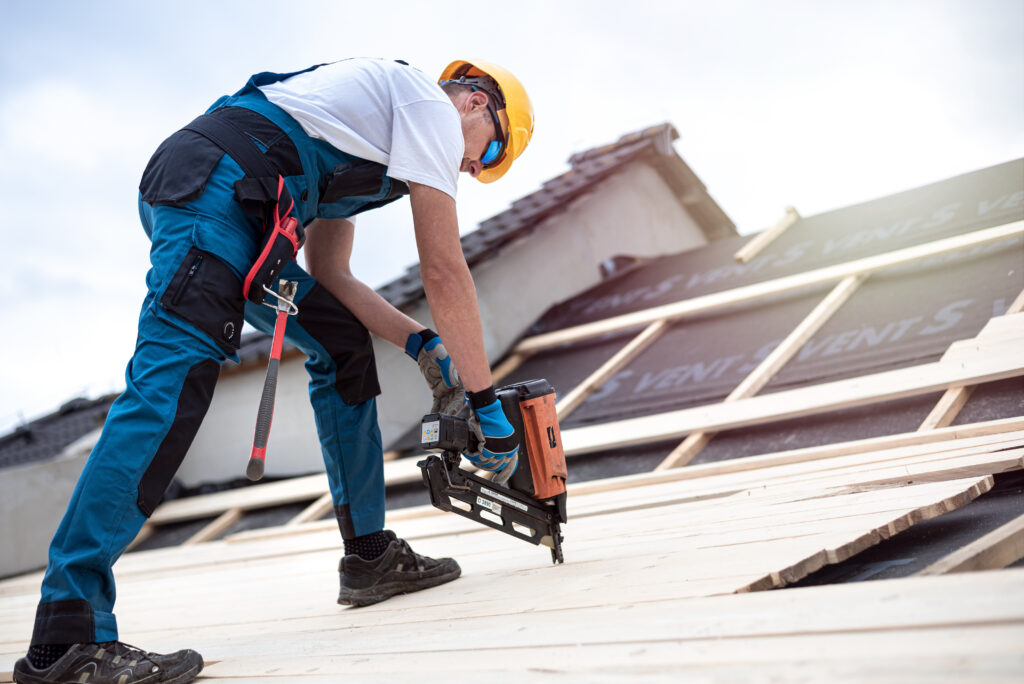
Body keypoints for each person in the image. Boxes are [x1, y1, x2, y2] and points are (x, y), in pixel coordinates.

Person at [13, 57, 533, 684]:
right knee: (171, 385)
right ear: (477, 102)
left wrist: (422, 343)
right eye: (491, 151)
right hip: (219, 191)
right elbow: (444, 268)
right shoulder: (427, 107)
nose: (475, 168)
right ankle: (66, 638)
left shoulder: (364, 136)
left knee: (341, 347)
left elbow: (335, 277)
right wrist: (486, 404)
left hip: (249, 209)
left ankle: (370, 557)